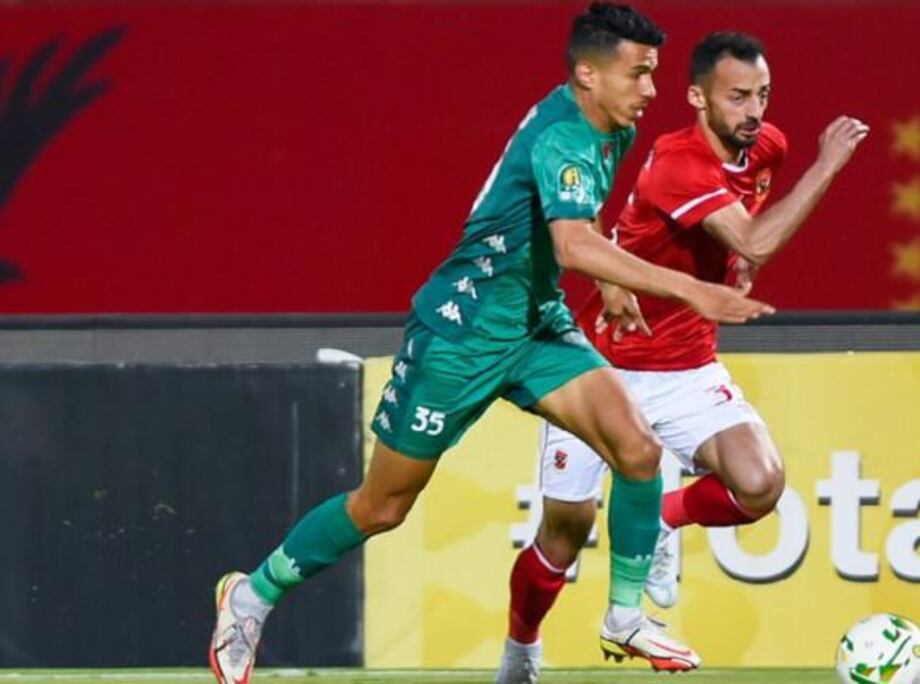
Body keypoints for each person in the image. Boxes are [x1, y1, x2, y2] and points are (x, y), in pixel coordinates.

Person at [207, 6, 776, 684]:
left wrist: (612, 281)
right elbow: (572, 244)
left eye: (653, 73)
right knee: (381, 506)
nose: (650, 90)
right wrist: (692, 290)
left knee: (637, 448)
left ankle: (625, 616)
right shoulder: (563, 137)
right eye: (637, 74)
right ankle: (251, 596)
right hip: (462, 333)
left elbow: (582, 217)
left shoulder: (612, 127)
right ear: (588, 75)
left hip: (537, 325)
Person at [495, 30, 868, 682]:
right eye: (737, 97)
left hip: (688, 367)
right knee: (563, 533)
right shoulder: (678, 163)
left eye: (763, 95)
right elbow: (754, 239)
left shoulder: (766, 147)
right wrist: (827, 166)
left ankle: (661, 521)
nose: (753, 111)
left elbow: (739, 239)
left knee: (761, 483)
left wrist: (738, 266)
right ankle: (520, 651)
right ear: (698, 98)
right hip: (603, 368)